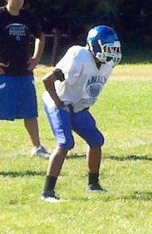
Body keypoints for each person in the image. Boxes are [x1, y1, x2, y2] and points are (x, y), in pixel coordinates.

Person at [40, 25, 122, 202]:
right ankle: (48, 192)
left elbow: (89, 88)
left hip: (77, 105)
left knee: (96, 140)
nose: (113, 52)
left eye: (114, 48)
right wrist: (59, 103)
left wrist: (83, 104)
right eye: (108, 48)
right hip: (58, 101)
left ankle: (93, 184)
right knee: (65, 143)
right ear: (95, 46)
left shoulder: (107, 64)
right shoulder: (79, 56)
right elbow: (47, 80)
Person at [0, 0, 50, 158]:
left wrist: (36, 58)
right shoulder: (0, 15)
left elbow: (40, 37)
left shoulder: (28, 17)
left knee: (30, 112)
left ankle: (37, 147)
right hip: (3, 74)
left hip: (24, 73)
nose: (19, 0)